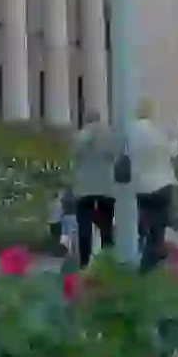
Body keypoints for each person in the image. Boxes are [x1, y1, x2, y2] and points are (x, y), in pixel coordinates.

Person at [128, 99, 178, 271]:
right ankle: (149, 262)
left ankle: (143, 254)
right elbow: (173, 151)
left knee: (144, 220)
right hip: (162, 184)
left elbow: (125, 154)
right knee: (158, 226)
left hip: (141, 185)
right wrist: (176, 137)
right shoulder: (158, 131)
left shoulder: (130, 131)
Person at [72, 111, 115, 267]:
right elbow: (114, 156)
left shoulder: (80, 136)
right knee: (107, 227)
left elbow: (75, 159)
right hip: (106, 187)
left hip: (84, 188)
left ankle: (84, 262)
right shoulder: (109, 135)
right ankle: (108, 262)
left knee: (84, 226)